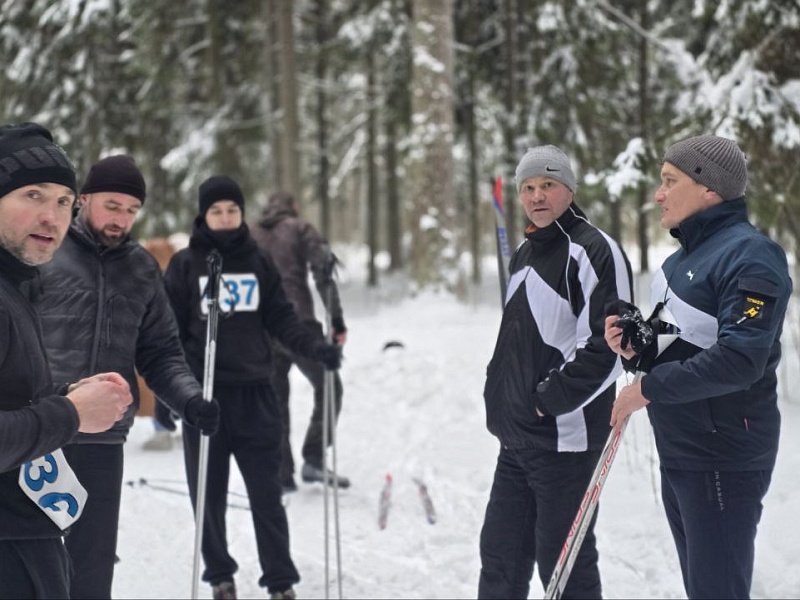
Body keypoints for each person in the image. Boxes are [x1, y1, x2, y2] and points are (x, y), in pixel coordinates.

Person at [604, 134, 792, 599]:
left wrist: (648, 390)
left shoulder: (752, 257)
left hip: (723, 455)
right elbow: (681, 343)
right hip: (682, 450)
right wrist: (638, 345)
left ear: (709, 189)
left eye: (670, 181)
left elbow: (739, 359)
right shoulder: (679, 262)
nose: (658, 194)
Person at [35, 154, 220, 599]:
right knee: (33, 559)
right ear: (84, 200)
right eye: (112, 206)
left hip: (103, 442)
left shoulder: (141, 269)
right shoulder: (44, 252)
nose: (122, 219)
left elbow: (160, 353)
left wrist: (189, 400)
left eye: (131, 210)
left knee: (93, 566)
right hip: (43, 432)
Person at [163, 175, 341, 600]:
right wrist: (178, 392)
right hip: (205, 398)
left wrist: (316, 346)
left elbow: (281, 319)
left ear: (242, 215)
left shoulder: (258, 262)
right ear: (203, 215)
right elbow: (168, 334)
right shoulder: (186, 265)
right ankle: (220, 575)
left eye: (232, 210)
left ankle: (280, 581)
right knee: (209, 496)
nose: (225, 219)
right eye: (216, 211)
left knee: (267, 495)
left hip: (256, 395)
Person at [479, 145, 633, 599]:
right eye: (527, 187)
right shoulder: (524, 254)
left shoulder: (593, 250)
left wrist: (549, 399)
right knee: (499, 556)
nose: (536, 196)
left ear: (569, 189)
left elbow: (610, 347)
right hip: (517, 439)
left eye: (547, 185)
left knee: (564, 565)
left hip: (565, 440)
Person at [0, 122, 133, 599]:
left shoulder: (17, 285)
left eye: (61, 201)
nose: (51, 216)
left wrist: (65, 399)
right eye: (32, 195)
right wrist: (72, 414)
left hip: (28, 536)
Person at [251, 191, 349, 492]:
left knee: (275, 400)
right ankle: (314, 457)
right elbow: (323, 270)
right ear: (291, 208)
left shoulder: (250, 234)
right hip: (298, 326)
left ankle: (282, 473)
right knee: (330, 385)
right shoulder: (299, 228)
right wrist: (337, 320)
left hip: (261, 328)